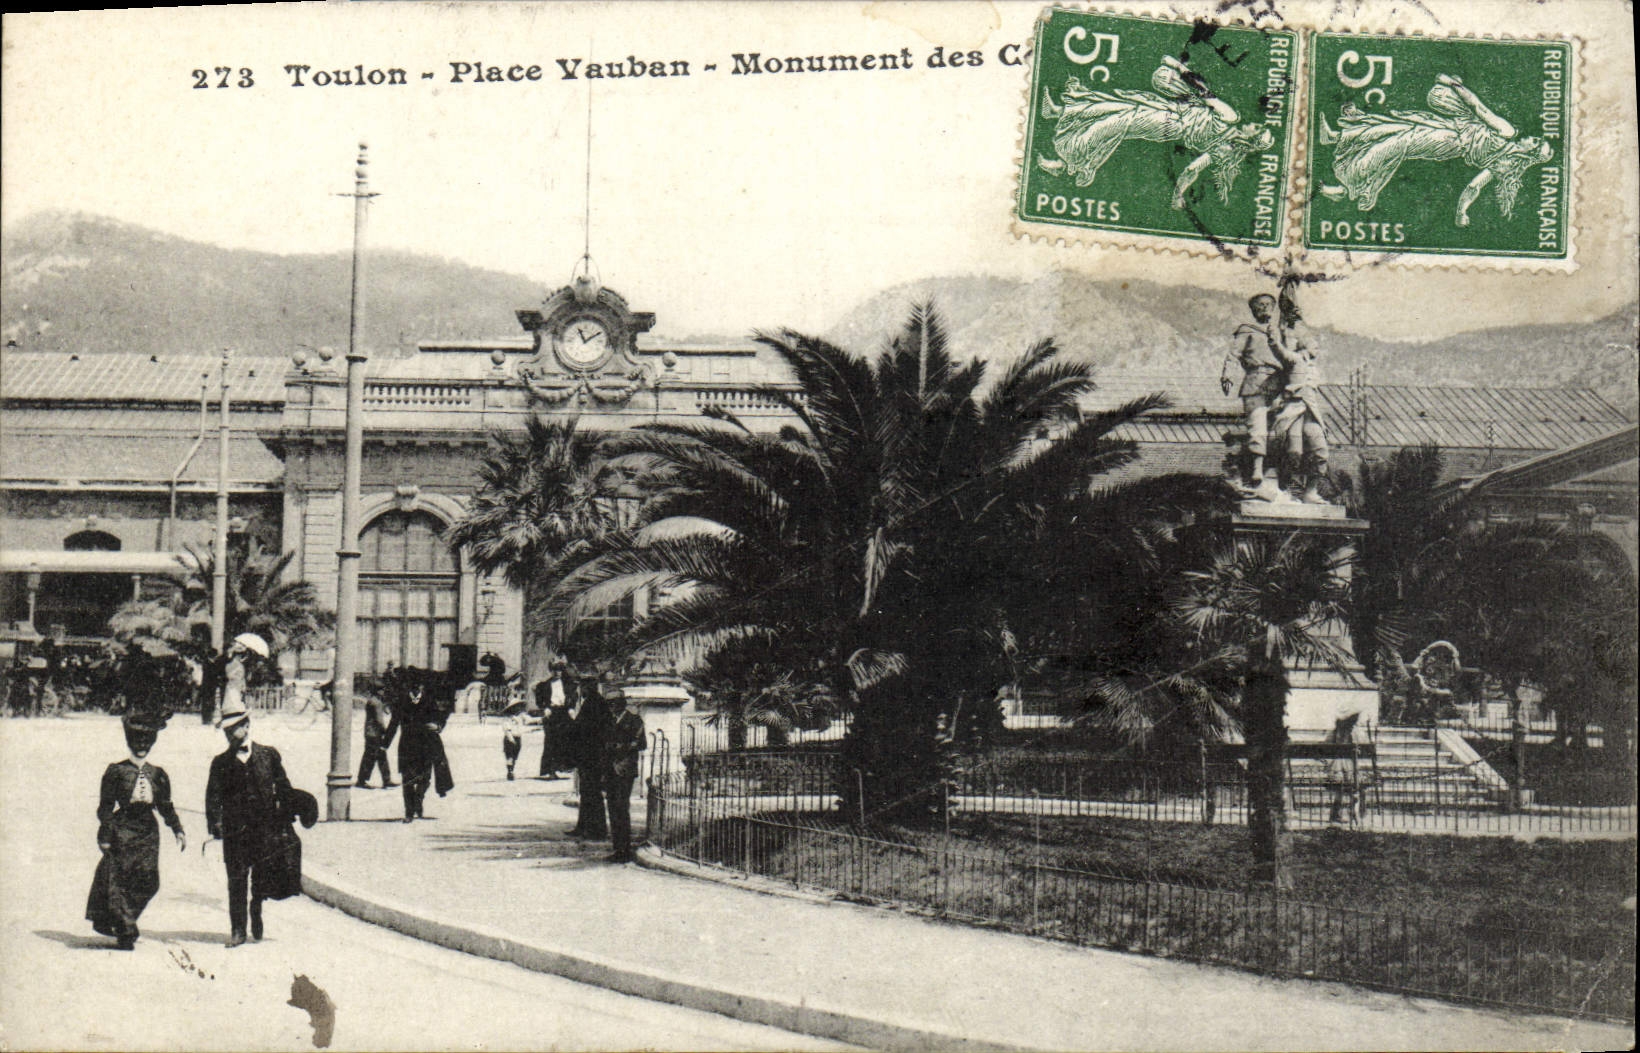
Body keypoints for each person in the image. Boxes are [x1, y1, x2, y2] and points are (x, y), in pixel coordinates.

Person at [1036, 56, 1275, 209]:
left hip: (1168, 121)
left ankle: (1065, 162)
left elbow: (1204, 92)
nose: (1253, 124)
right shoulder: (1224, 150)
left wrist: (1179, 67)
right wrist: (1178, 195)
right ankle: (1058, 112)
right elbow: (1192, 169)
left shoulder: (1231, 117)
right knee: (1118, 105)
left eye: (1257, 128)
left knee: (1114, 123)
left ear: (1250, 137)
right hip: (1168, 113)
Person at [1318, 74, 1555, 227]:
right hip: (1450, 129)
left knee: (1399, 142)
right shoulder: (1503, 163)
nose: (1532, 138)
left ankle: (1347, 184)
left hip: (1450, 140)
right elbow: (1474, 187)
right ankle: (1337, 137)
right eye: (1536, 138)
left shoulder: (1508, 132)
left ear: (1530, 151)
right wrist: (1461, 212)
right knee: (1398, 127)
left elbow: (1479, 108)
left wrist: (1453, 84)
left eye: (1535, 142)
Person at [86, 712, 186, 950]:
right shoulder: (116, 771)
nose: (141, 747)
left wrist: (177, 829)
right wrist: (106, 835)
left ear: (152, 744)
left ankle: (123, 920)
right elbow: (105, 808)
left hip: (148, 833)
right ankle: (125, 929)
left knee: (150, 881)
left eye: (146, 742)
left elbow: (165, 806)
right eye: (136, 742)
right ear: (129, 742)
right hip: (123, 830)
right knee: (118, 881)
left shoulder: (158, 774)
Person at [205, 697, 293, 947]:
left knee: (262, 876)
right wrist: (216, 823)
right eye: (226, 731)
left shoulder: (269, 755)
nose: (231, 735)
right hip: (235, 831)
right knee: (236, 879)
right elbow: (212, 796)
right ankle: (238, 930)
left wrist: (286, 814)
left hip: (264, 829)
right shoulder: (220, 763)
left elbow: (284, 787)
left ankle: (256, 907)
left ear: (247, 725)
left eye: (235, 728)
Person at [1221, 293, 1284, 501]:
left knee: (1286, 428)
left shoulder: (1281, 332)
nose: (1264, 308)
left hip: (1280, 384)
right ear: (1254, 310)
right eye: (1260, 305)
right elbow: (1233, 354)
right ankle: (1257, 471)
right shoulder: (1247, 330)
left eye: (1268, 305)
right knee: (1257, 427)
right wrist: (1227, 374)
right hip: (1255, 382)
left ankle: (1279, 475)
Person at [1270, 291, 1330, 504]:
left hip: (1310, 411)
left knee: (1320, 450)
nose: (1314, 347)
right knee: (1293, 452)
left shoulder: (1314, 368)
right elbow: (1280, 350)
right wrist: (1275, 336)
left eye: (1315, 345)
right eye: (1310, 344)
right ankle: (1283, 490)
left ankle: (1310, 492)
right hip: (1293, 408)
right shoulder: (1294, 359)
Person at [600, 683, 647, 863]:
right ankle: (617, 849)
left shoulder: (634, 720)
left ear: (622, 703)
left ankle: (625, 849)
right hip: (610, 770)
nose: (612, 706)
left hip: (625, 769)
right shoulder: (607, 721)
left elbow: (641, 743)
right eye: (609, 703)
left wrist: (622, 747)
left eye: (615, 703)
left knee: (622, 808)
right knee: (612, 809)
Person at [569, 674, 611, 840]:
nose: (581, 690)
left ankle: (597, 830)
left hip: (592, 756)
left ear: (588, 687)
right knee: (586, 792)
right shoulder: (593, 702)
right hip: (588, 755)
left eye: (583, 687)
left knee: (592, 792)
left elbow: (585, 728)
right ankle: (583, 827)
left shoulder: (594, 703)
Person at [537, 657, 573, 778]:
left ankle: (562, 767)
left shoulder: (568, 684)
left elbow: (572, 698)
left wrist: (571, 708)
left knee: (565, 740)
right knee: (551, 741)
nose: (557, 672)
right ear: (551, 671)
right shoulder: (544, 685)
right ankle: (550, 770)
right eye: (555, 670)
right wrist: (545, 708)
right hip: (551, 713)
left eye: (559, 670)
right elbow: (539, 701)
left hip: (564, 713)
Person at [355, 689, 398, 789]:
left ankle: (386, 780)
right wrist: (385, 732)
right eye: (382, 690)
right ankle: (362, 780)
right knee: (370, 757)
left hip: (370, 733)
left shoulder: (372, 701)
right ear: (378, 691)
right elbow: (379, 721)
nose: (384, 692)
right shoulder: (377, 703)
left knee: (380, 756)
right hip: (374, 734)